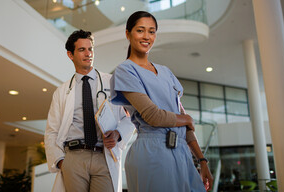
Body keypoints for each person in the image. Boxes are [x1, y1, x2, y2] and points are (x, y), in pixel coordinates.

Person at [110, 11, 213, 192]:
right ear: (128, 34)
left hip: (182, 153)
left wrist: (202, 160)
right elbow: (153, 116)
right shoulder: (125, 71)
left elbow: (182, 121)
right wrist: (187, 119)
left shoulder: (166, 72)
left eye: (152, 31)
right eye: (140, 30)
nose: (147, 36)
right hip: (152, 153)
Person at [44, 30, 135, 192]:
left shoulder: (112, 82)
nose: (88, 53)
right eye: (82, 50)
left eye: (90, 49)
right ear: (70, 55)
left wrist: (118, 134)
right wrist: (61, 162)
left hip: (104, 156)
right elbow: (51, 131)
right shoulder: (61, 91)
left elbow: (131, 116)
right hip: (74, 158)